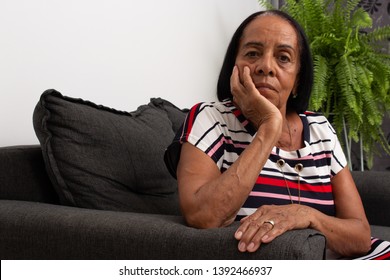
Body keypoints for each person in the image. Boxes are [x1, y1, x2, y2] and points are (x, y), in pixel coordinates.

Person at [164, 10, 390, 259]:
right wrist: (269, 127)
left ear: (297, 80)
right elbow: (203, 217)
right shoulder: (210, 119)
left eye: (283, 58)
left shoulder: (319, 129)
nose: (265, 67)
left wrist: (306, 215)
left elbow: (359, 237)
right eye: (252, 53)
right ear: (234, 68)